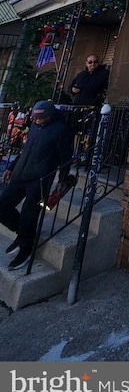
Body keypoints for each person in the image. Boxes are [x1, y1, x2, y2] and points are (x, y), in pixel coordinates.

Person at [0, 100, 73, 271]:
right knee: (2, 207)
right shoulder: (34, 127)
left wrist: (62, 179)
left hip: (40, 178)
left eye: (40, 119)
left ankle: (26, 248)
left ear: (49, 116)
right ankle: (24, 234)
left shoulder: (60, 130)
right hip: (20, 175)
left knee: (29, 213)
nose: (37, 121)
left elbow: (65, 157)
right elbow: (26, 150)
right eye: (34, 118)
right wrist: (11, 167)